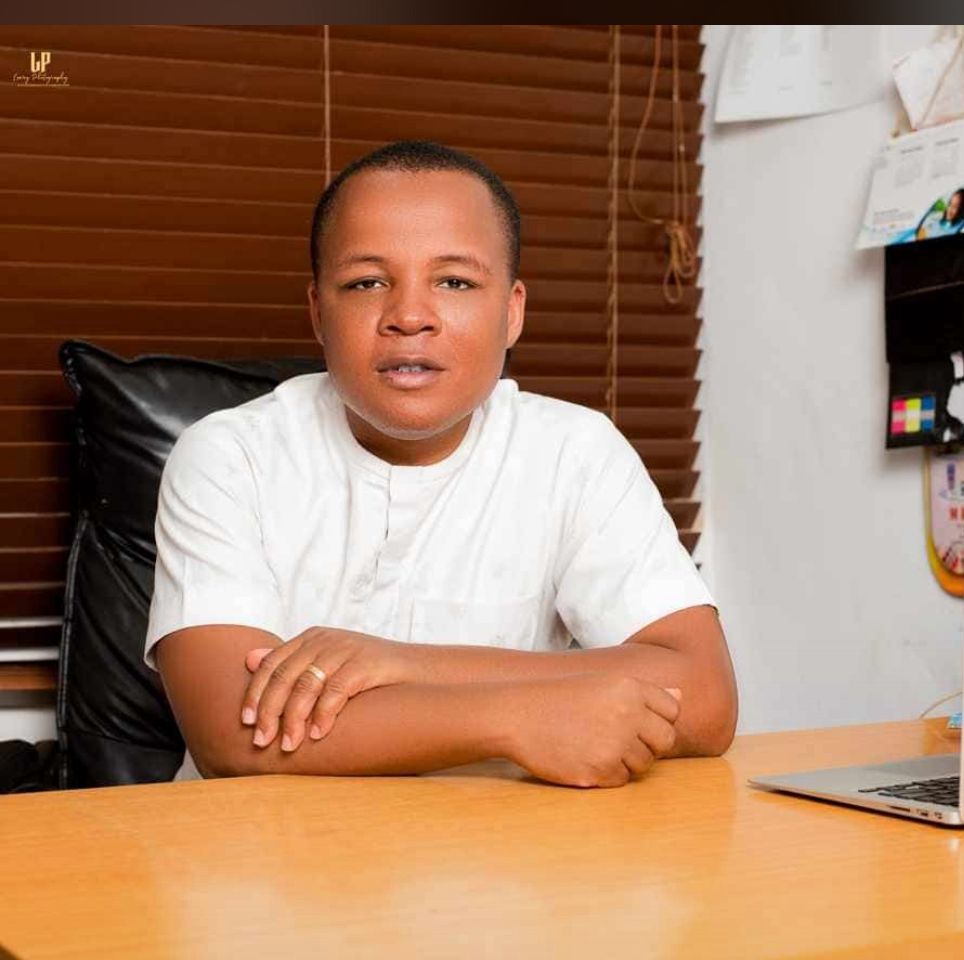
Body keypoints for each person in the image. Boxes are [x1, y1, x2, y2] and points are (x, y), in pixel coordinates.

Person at [144, 140, 738, 788]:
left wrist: (407, 664)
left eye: (454, 282)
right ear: (318, 311)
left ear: (512, 311)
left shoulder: (576, 451)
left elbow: (705, 696)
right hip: (265, 843)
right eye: (367, 283)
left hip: (502, 841)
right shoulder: (229, 456)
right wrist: (517, 717)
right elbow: (233, 733)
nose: (409, 317)